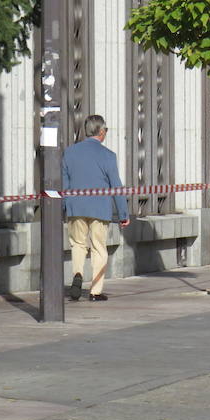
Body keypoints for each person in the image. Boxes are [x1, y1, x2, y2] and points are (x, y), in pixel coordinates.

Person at [63, 115, 130, 301]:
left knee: (77, 244)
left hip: (75, 207)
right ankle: (95, 290)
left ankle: (77, 273)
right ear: (101, 132)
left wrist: (65, 207)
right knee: (99, 248)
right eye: (106, 130)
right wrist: (123, 213)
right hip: (99, 209)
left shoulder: (69, 152)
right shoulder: (108, 156)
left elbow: (64, 184)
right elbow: (116, 186)